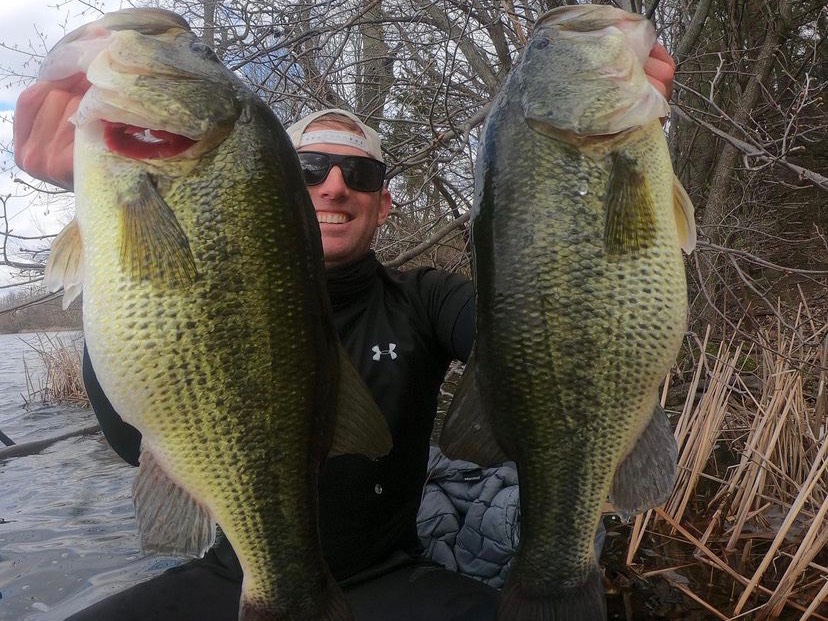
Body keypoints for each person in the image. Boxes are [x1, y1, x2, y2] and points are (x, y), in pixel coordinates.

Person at [14, 44, 676, 621]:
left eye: (358, 173)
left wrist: (588, 175)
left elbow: (533, 347)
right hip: (236, 571)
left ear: (383, 202)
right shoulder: (209, 298)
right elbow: (134, 438)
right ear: (277, 187)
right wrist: (103, 202)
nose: (334, 187)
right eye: (309, 169)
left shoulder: (423, 298)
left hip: (391, 575)